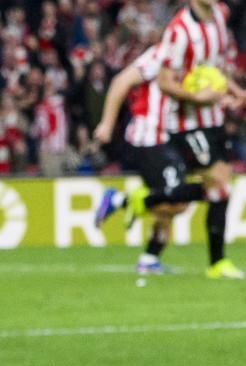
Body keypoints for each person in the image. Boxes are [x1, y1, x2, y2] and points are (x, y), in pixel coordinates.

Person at [90, 44, 223, 275]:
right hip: (149, 136)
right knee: (178, 198)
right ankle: (121, 200)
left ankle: (149, 258)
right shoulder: (160, 54)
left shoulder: (192, 62)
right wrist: (107, 124)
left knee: (173, 202)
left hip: (172, 136)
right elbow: (121, 81)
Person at [158, 0, 246, 280]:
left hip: (213, 118)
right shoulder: (179, 31)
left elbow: (215, 68)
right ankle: (217, 262)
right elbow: (164, 81)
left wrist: (236, 91)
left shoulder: (220, 17)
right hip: (185, 122)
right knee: (220, 183)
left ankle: (140, 202)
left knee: (215, 190)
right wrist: (197, 97)